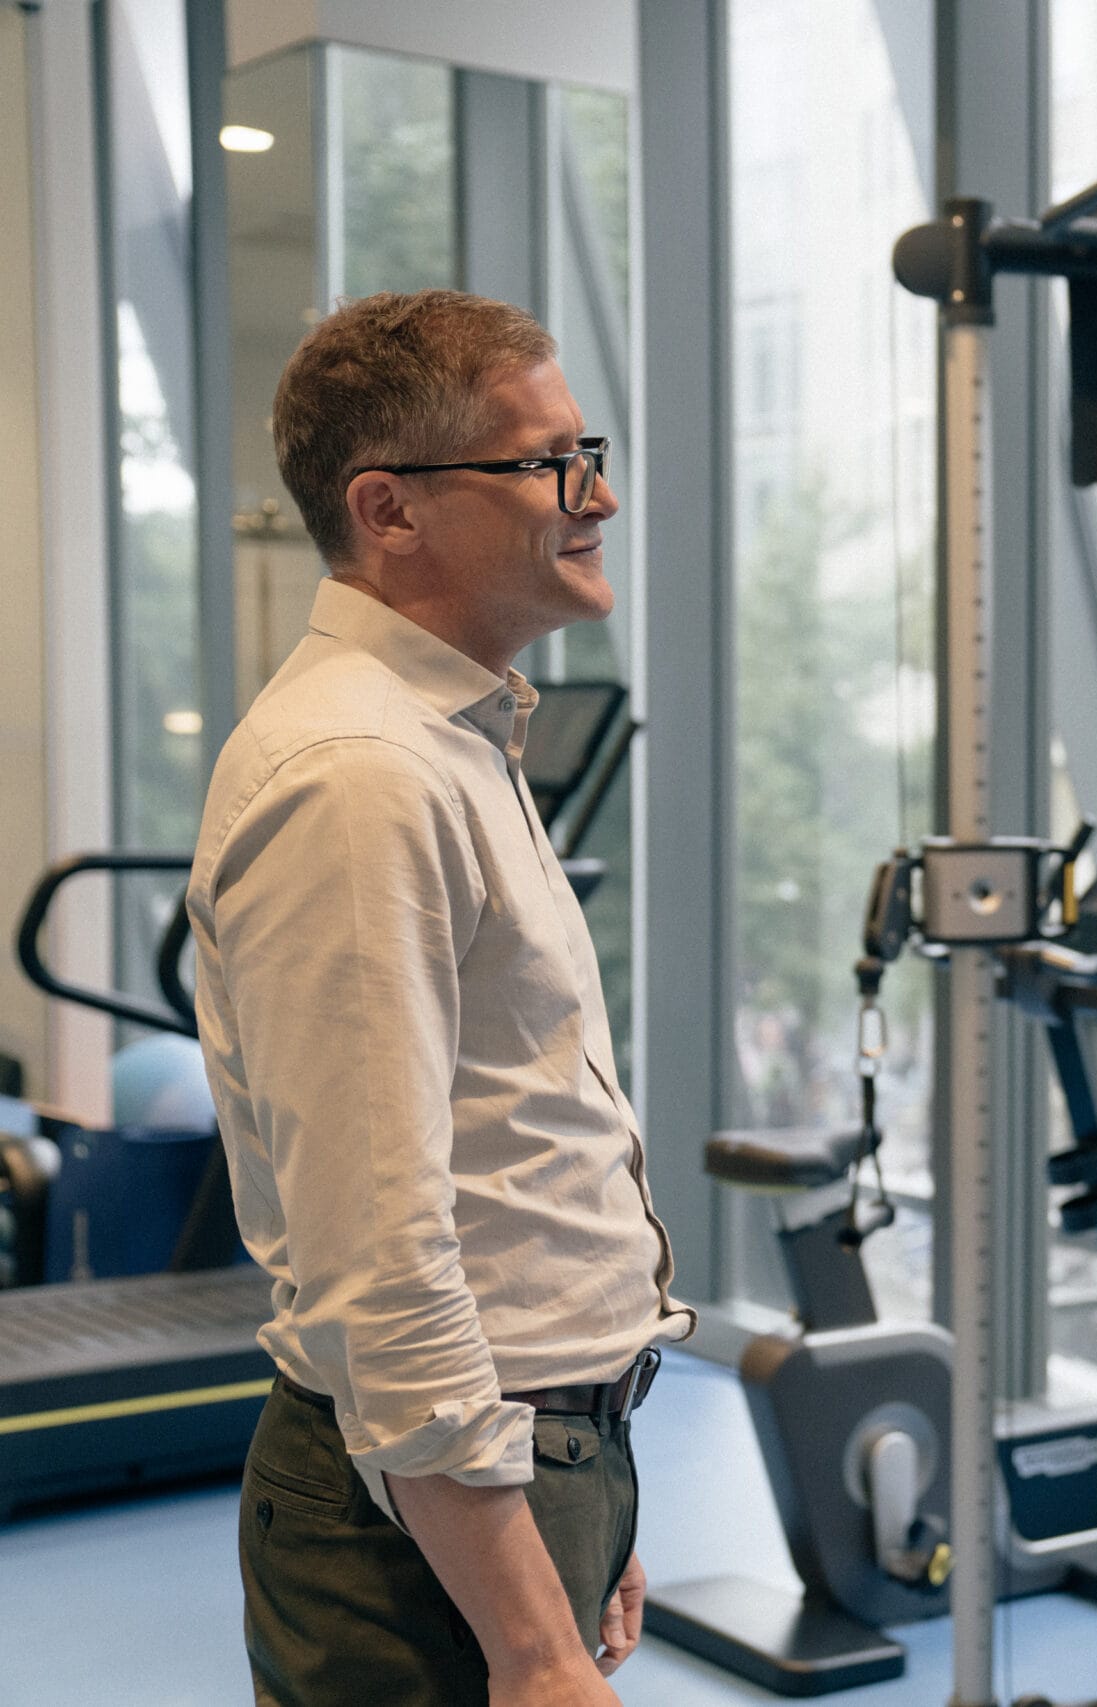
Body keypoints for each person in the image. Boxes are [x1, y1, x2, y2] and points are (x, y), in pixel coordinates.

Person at [188, 289, 691, 1707]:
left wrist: (590, 1493)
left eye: (585, 449)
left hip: (518, 1473)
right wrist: (528, 1634)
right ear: (389, 510)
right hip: (426, 1519)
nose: (591, 494)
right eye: (544, 463)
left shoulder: (454, 734)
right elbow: (381, 1260)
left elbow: (513, 1157)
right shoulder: (361, 775)